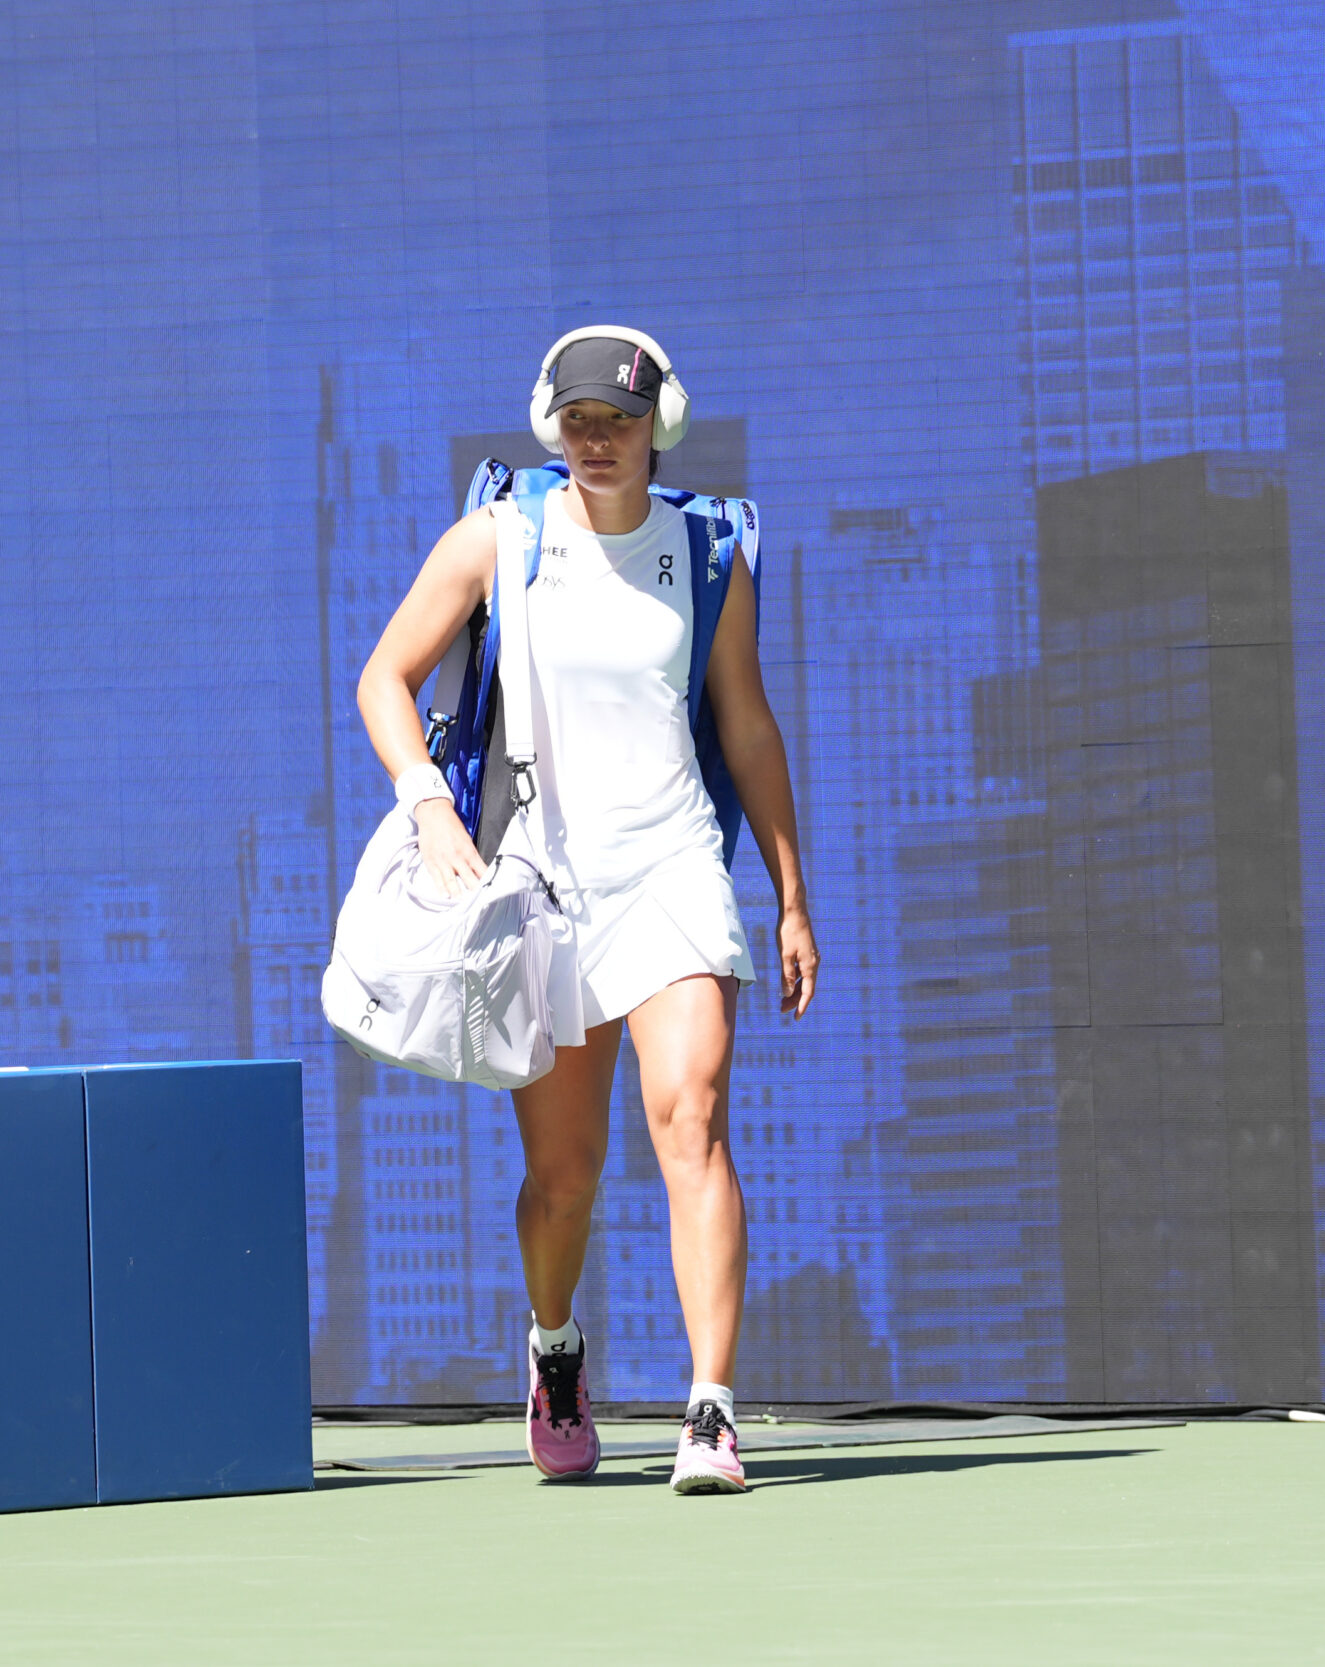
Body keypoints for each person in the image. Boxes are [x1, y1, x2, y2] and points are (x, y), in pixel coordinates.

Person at [354, 330, 817, 1495]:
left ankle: (709, 1409)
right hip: (539, 892)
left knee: (693, 1119)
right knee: (563, 1177)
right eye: (576, 421)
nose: (595, 440)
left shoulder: (709, 554)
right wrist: (428, 809)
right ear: (548, 424)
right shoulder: (498, 539)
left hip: (670, 874)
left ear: (657, 424)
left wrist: (789, 894)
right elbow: (383, 678)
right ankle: (554, 1347)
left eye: (616, 420)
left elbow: (746, 723)